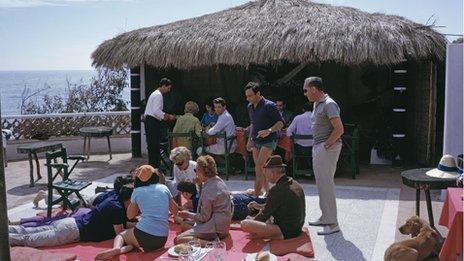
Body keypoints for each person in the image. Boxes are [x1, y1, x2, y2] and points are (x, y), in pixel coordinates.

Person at [95, 165, 178, 260]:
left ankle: (117, 248)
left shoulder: (137, 191)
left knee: (121, 235)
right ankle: (121, 250)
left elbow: (130, 216)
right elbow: (175, 211)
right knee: (133, 242)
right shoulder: (164, 188)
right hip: (162, 238)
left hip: (143, 234)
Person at [9, 185, 134, 247]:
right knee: (28, 239)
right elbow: (120, 233)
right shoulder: (117, 209)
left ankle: (6, 230)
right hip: (73, 232)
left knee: (26, 232)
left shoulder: (114, 200)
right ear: (130, 199)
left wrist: (134, 224)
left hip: (70, 223)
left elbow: (119, 223)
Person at [303, 77, 344, 235]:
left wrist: (326, 145)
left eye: (306, 90)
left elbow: (339, 129)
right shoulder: (317, 103)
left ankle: (333, 223)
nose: (305, 93)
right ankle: (326, 217)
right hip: (320, 147)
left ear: (314, 89)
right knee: (321, 184)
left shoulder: (329, 104)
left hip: (326, 148)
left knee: (326, 184)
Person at [241, 155, 305, 240]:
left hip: (286, 231)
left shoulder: (277, 189)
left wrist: (252, 223)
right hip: (297, 227)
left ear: (272, 173)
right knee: (257, 220)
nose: (266, 177)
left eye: (266, 173)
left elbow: (264, 215)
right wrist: (259, 206)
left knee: (245, 224)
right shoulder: (295, 184)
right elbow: (277, 204)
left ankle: (274, 235)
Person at [175, 155, 232, 245]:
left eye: (196, 170)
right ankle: (204, 238)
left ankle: (212, 244)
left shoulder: (208, 189)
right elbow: (205, 202)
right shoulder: (218, 181)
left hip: (216, 228)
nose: (195, 173)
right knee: (184, 225)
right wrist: (200, 185)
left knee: (179, 239)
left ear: (201, 172)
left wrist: (187, 214)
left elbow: (204, 217)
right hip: (222, 225)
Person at [245, 82, 284, 196]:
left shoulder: (269, 105)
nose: (248, 99)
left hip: (269, 140)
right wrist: (249, 140)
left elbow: (281, 123)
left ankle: (256, 196)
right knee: (261, 168)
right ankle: (268, 192)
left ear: (258, 93)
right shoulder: (250, 107)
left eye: (250, 96)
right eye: (246, 96)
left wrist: (269, 131)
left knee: (259, 166)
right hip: (256, 140)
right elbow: (253, 123)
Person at [176, 181, 266, 221]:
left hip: (234, 210)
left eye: (182, 193)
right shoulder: (203, 191)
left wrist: (186, 213)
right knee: (262, 203)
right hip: (236, 199)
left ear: (187, 194)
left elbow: (201, 218)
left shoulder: (196, 201)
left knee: (258, 210)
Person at [144, 78, 175, 168]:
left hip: (150, 121)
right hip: (152, 121)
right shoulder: (158, 95)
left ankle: (153, 166)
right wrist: (168, 116)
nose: (168, 90)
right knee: (154, 145)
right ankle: (155, 166)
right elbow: (156, 111)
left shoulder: (154, 94)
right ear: (163, 86)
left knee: (152, 145)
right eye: (168, 88)